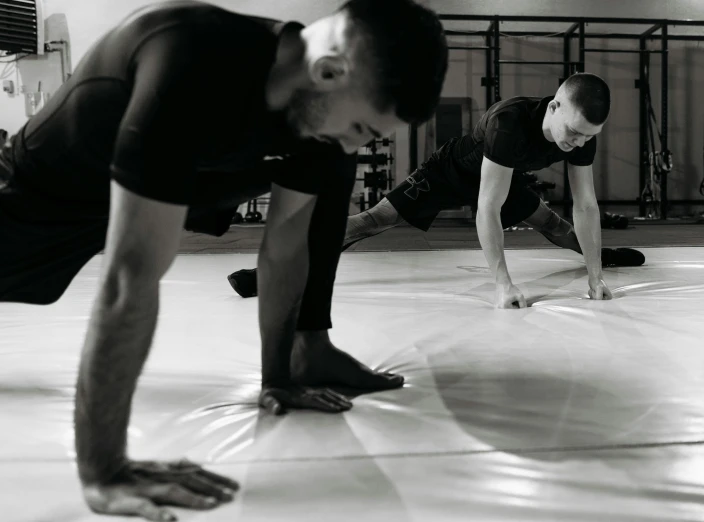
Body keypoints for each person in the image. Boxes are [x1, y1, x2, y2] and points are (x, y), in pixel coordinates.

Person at [0, 0, 448, 519]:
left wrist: (276, 379)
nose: (356, 144)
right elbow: (130, 281)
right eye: (362, 129)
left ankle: (303, 355)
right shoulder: (189, 57)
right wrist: (105, 469)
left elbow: (283, 246)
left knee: (330, 171)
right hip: (43, 195)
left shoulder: (318, 108)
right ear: (328, 71)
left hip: (188, 176)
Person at [228, 73, 645, 308]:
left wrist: (595, 276)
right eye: (572, 133)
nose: (577, 143)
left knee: (555, 225)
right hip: (450, 170)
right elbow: (487, 207)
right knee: (369, 222)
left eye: (588, 137)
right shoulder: (509, 125)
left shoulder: (581, 134)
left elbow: (586, 205)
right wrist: (502, 284)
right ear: (554, 107)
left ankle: (599, 256)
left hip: (504, 175)